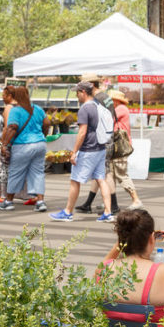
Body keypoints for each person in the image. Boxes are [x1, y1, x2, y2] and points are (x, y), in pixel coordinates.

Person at [50, 80, 114, 222]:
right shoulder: (98, 105)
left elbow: (82, 132)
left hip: (88, 149)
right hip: (100, 147)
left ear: (83, 92)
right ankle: (108, 212)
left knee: (75, 180)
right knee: (101, 179)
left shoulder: (85, 108)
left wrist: (74, 152)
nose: (76, 95)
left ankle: (68, 212)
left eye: (77, 92)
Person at [76, 74, 121, 214]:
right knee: (99, 172)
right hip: (108, 136)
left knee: (105, 174)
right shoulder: (105, 97)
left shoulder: (97, 100)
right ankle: (88, 203)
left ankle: (113, 206)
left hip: (101, 139)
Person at [0, 86, 47, 212]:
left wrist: (4, 144)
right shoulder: (37, 108)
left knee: (15, 172)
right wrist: (42, 135)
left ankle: (8, 201)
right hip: (40, 144)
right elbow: (47, 123)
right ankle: (40, 201)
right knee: (37, 173)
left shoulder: (16, 111)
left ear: (16, 97)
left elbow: (12, 127)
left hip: (23, 145)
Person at [108, 89, 144, 210]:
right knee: (111, 174)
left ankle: (136, 199)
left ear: (116, 100)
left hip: (120, 147)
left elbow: (108, 120)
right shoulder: (120, 108)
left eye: (110, 100)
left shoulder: (120, 109)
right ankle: (110, 201)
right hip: (116, 146)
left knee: (121, 174)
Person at [0, 85, 17, 204]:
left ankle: (3, 195)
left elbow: (7, 127)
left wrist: (3, 142)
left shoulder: (8, 107)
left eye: (3, 95)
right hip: (17, 141)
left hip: (9, 141)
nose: (2, 98)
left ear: (9, 96)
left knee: (5, 168)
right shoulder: (20, 106)